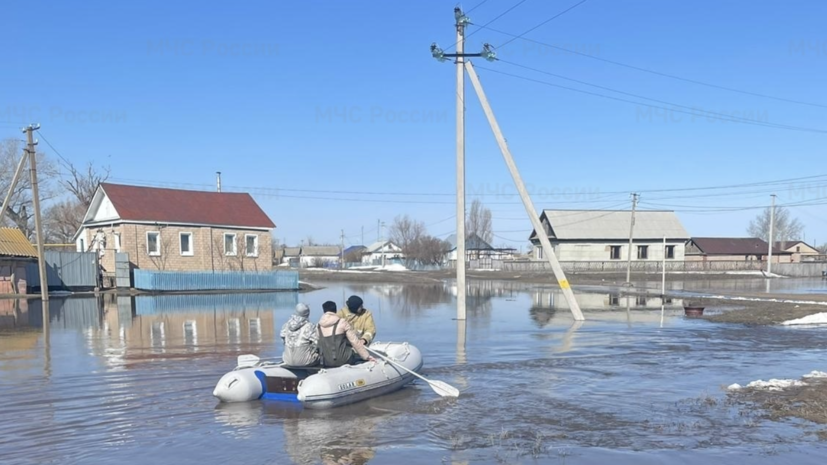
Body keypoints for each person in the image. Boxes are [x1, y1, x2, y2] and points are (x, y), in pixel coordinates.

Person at [317, 301, 375, 367]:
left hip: (326, 361)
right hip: (344, 359)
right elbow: (354, 341)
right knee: (356, 356)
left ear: (324, 311)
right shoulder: (342, 322)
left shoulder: (318, 326)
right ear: (335, 310)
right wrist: (367, 357)